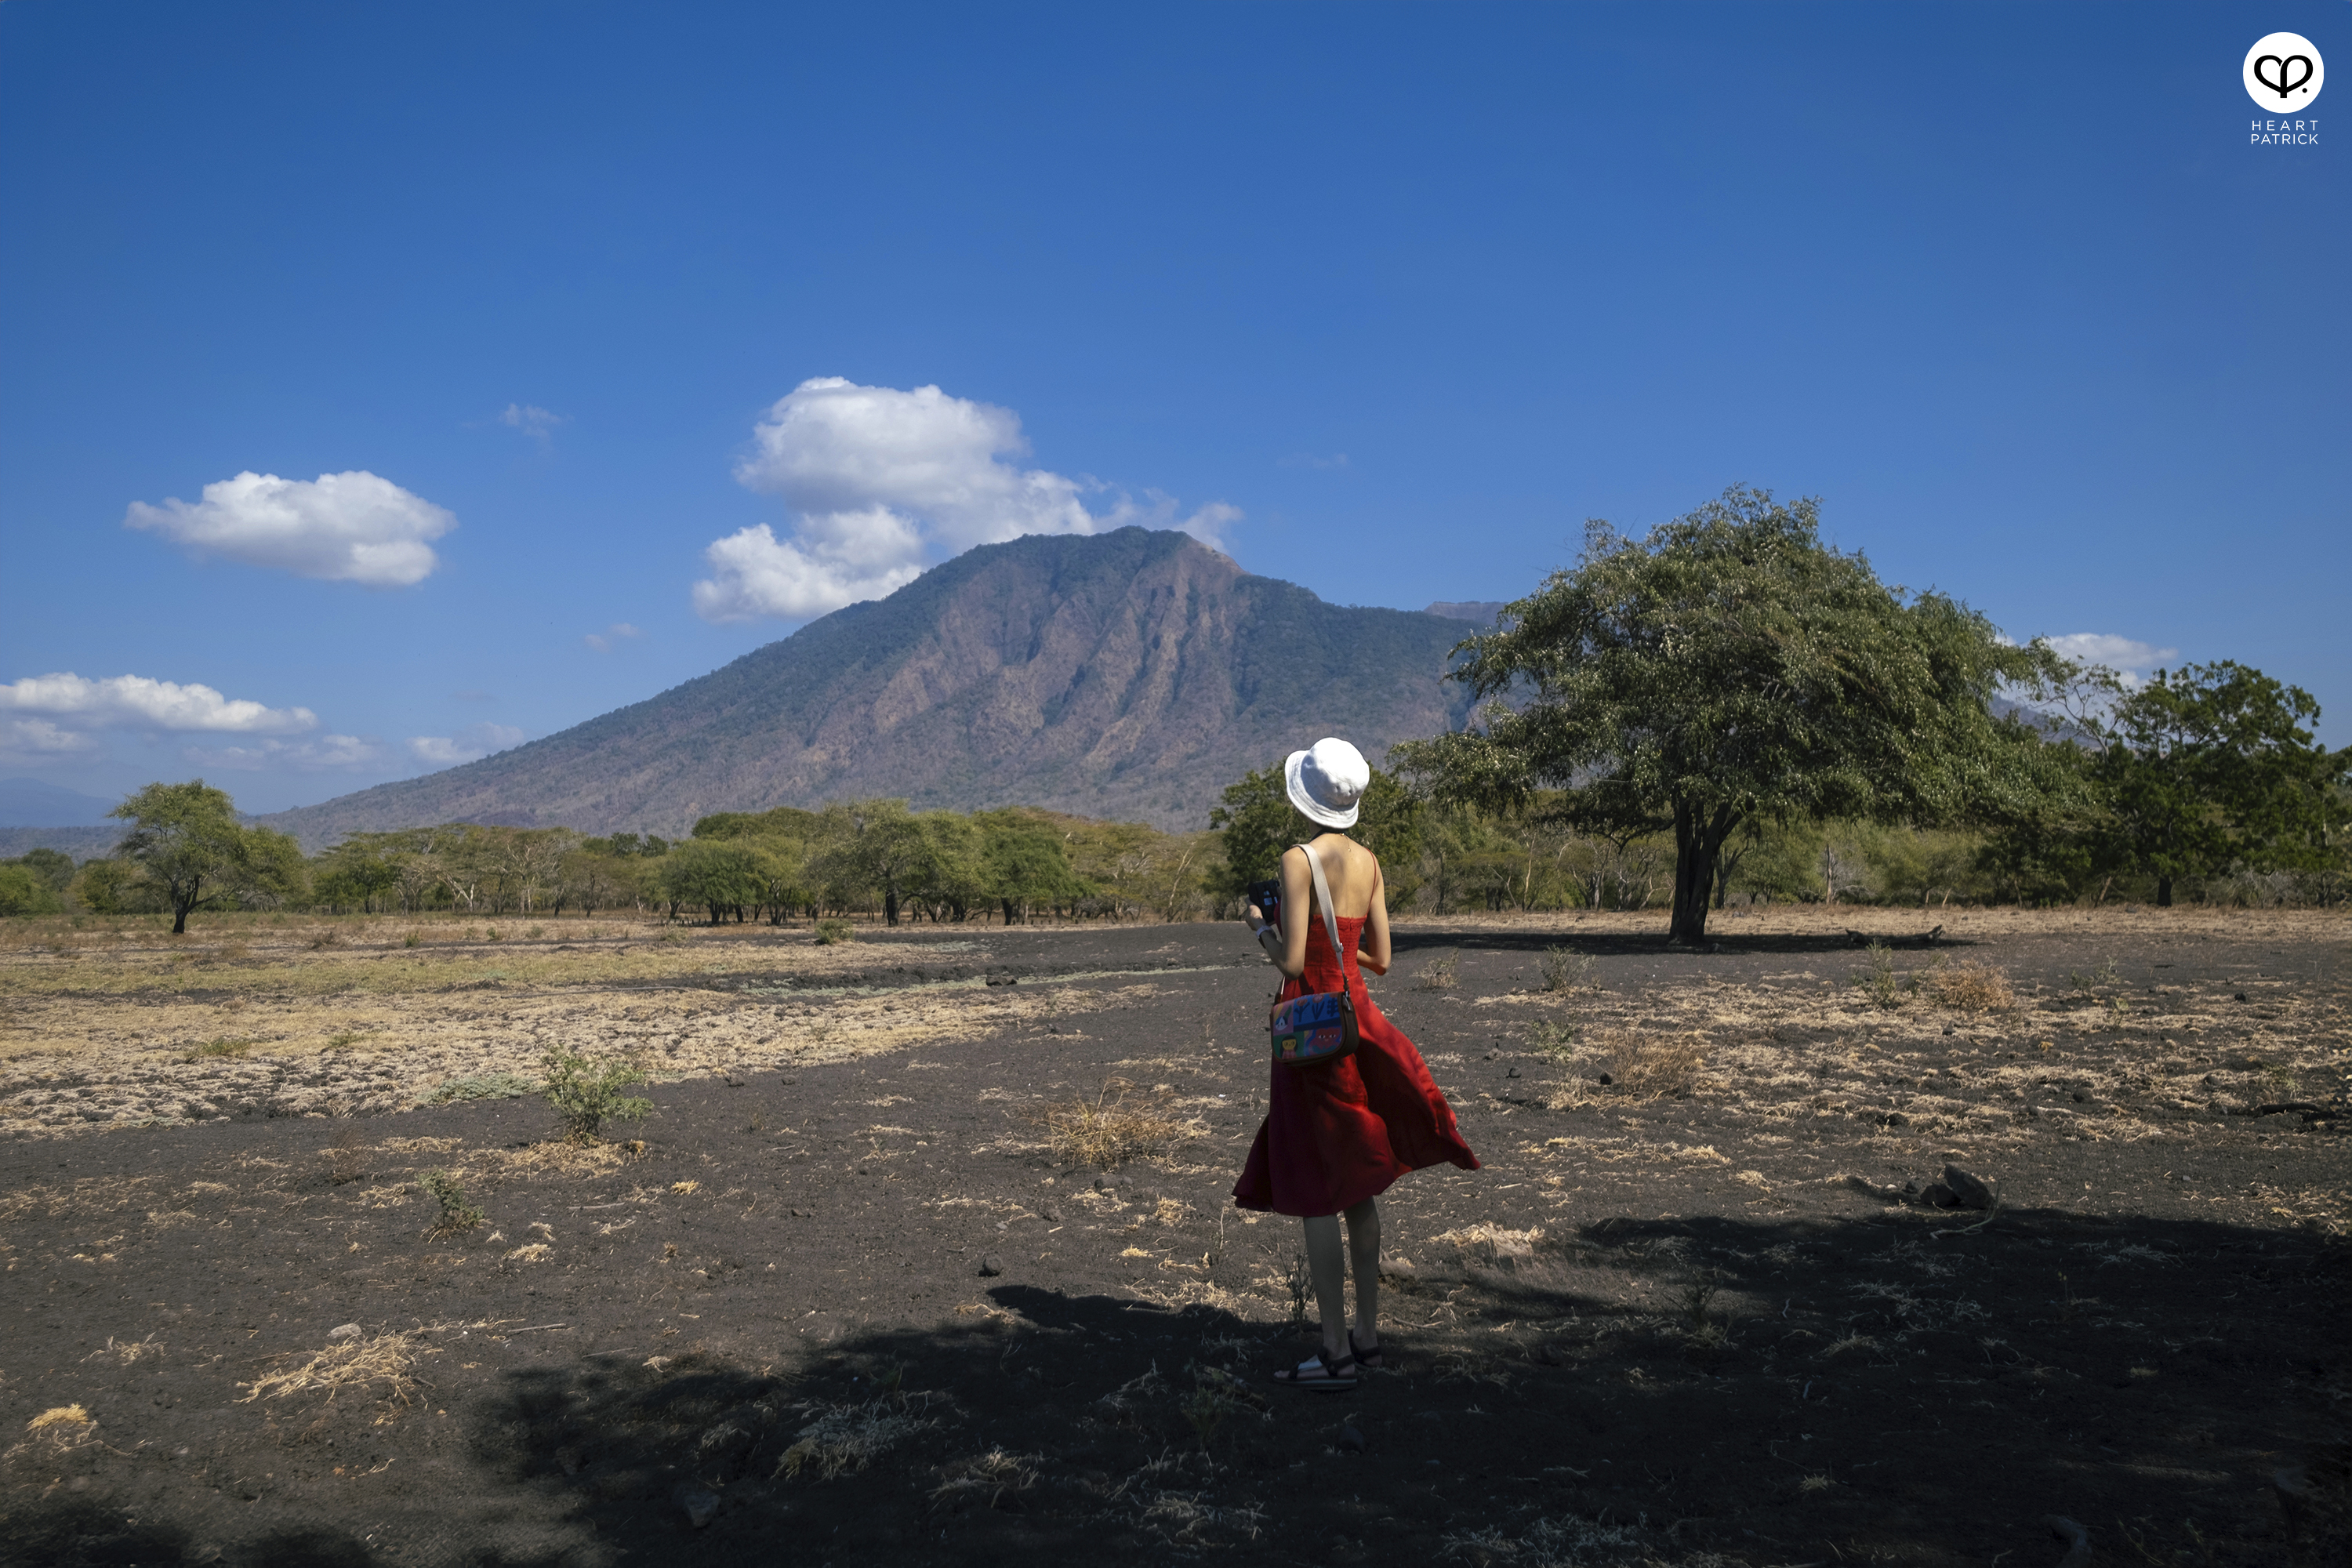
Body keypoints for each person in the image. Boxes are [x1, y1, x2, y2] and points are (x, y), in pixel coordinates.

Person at [1233, 736, 1481, 1391]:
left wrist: (1258, 925)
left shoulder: (1297, 858)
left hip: (1310, 1031)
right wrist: (1340, 954)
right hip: (1356, 1021)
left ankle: (1335, 1353)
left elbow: (1290, 962)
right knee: (1358, 1184)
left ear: (1305, 796)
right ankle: (1369, 1340)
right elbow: (1382, 958)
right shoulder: (1369, 860)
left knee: (1318, 1190)